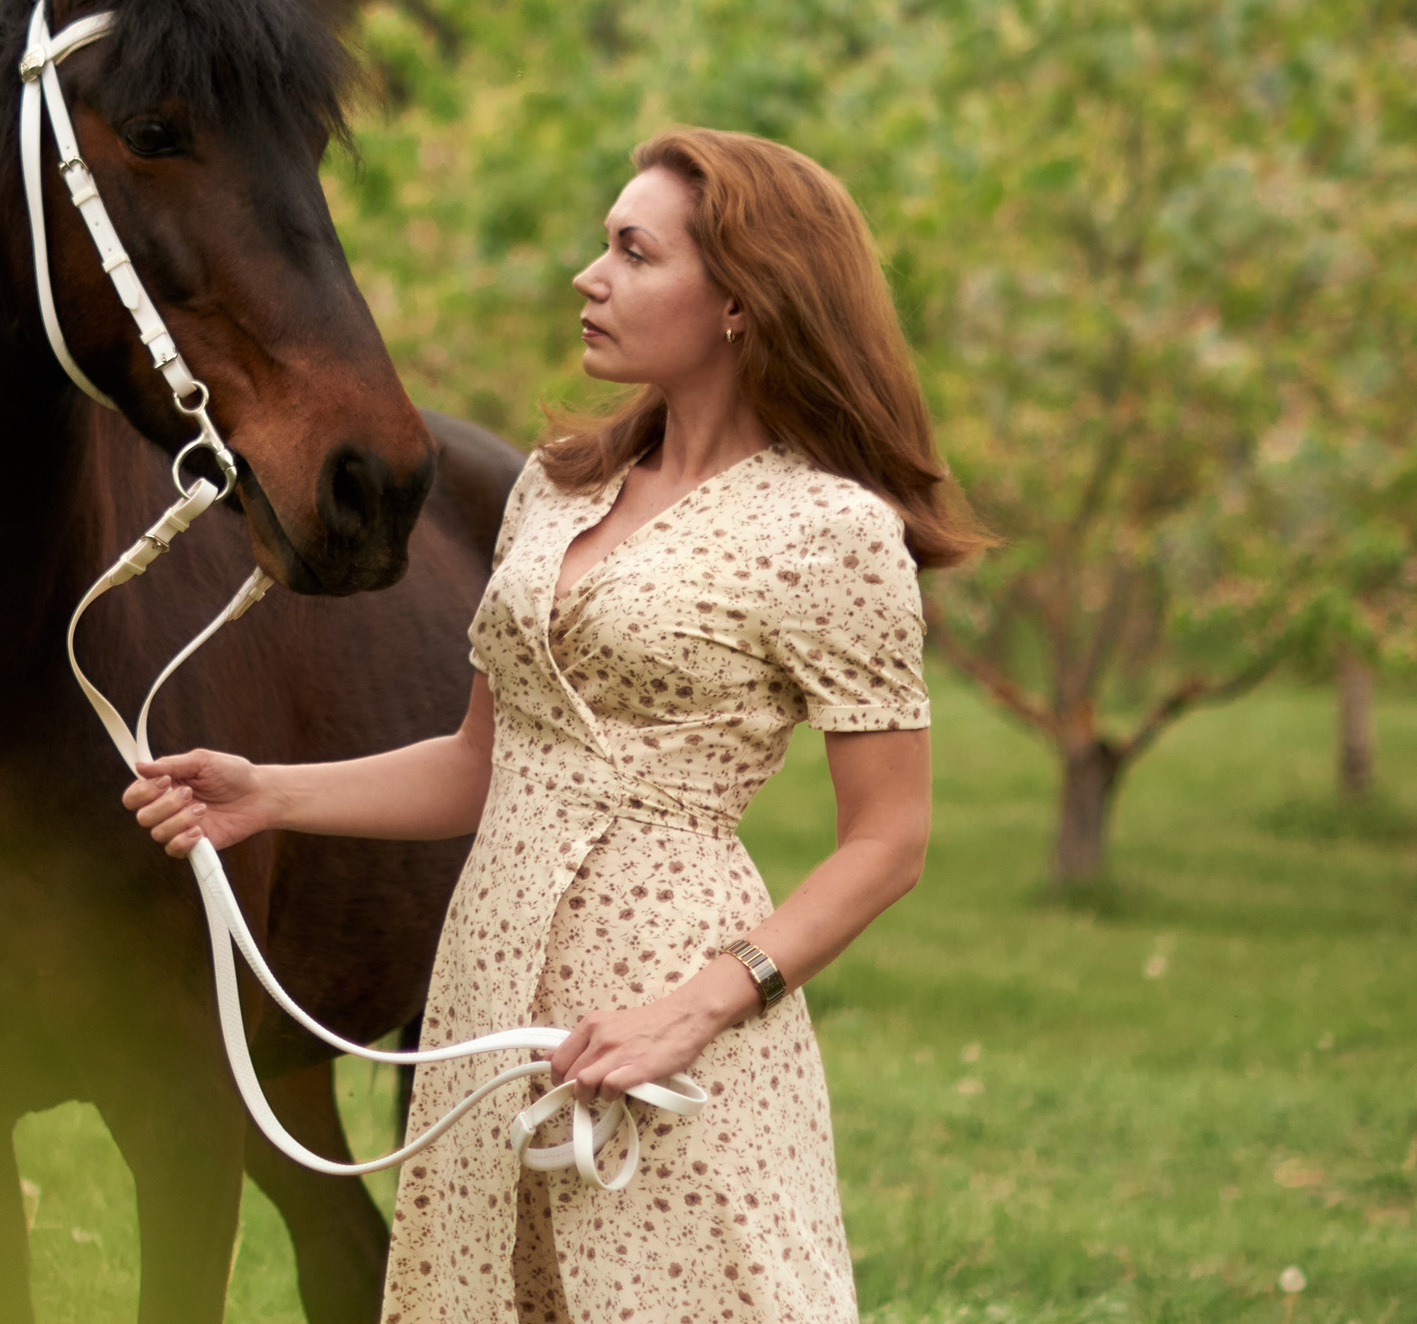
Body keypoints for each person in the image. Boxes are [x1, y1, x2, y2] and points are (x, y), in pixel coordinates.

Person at [122, 127, 989, 1322]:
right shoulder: (557, 485)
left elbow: (886, 842)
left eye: (633, 252)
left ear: (741, 300)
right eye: (602, 246)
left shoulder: (830, 533)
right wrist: (269, 791)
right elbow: (484, 763)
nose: (590, 277)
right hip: (485, 978)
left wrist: (691, 1010)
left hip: (670, 993)